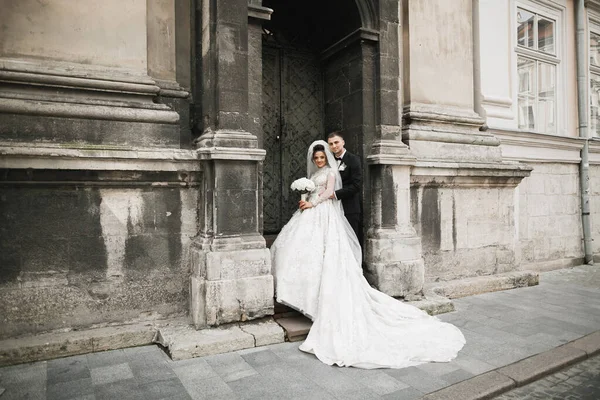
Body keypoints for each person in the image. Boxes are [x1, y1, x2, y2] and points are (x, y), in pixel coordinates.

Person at [271, 140, 465, 369]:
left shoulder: (332, 172)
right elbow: (314, 192)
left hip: (323, 213)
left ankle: (318, 301)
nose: (320, 160)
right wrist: (305, 201)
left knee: (326, 254)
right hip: (311, 210)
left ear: (328, 156)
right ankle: (305, 295)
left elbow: (329, 193)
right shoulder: (314, 175)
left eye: (322, 157)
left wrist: (313, 204)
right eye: (317, 158)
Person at [325, 132, 362, 241]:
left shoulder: (353, 159)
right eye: (331, 144)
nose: (334, 146)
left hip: (349, 206)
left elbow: (356, 185)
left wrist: (335, 194)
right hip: (332, 207)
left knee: (351, 239)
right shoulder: (329, 162)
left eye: (336, 142)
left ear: (343, 142)